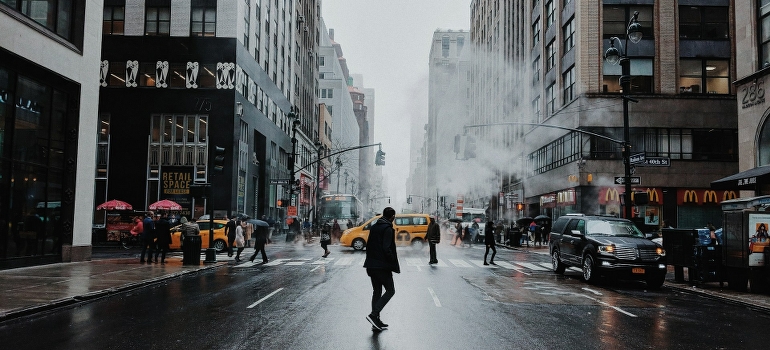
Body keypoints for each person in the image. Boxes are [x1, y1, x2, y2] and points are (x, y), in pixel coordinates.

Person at [364, 207, 400, 331]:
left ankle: (376, 322)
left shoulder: (374, 227)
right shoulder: (388, 229)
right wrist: (391, 261)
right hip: (382, 266)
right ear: (392, 217)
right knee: (390, 291)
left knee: (377, 292)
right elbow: (386, 248)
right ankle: (373, 315)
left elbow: (369, 245)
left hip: (371, 265)